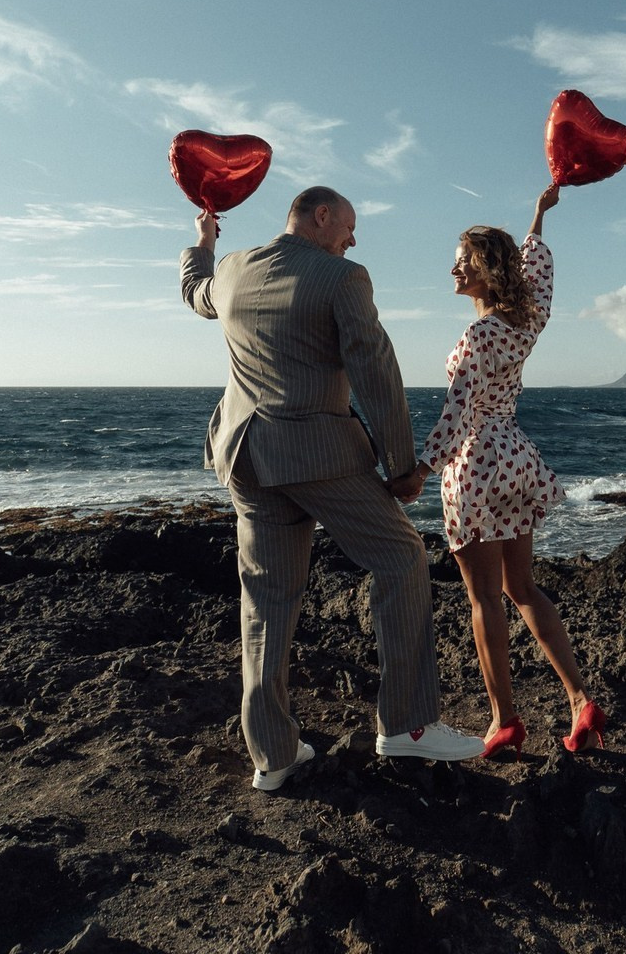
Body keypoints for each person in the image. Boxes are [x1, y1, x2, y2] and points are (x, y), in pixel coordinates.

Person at [180, 186, 485, 791]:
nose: (353, 238)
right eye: (349, 226)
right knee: (401, 557)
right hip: (318, 453)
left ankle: (273, 755)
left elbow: (196, 293)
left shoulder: (236, 269)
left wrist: (204, 242)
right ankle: (408, 726)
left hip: (246, 453)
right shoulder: (341, 278)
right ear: (321, 217)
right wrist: (401, 465)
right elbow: (373, 366)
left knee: (266, 600)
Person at [397, 185, 606, 758]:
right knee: (523, 587)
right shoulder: (526, 320)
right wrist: (538, 216)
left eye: (462, 262)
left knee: (485, 599)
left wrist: (421, 468)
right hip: (515, 456)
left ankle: (505, 721)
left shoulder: (477, 335)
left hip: (474, 466)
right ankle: (580, 700)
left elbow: (459, 411)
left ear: (486, 271)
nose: (453, 270)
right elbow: (537, 267)